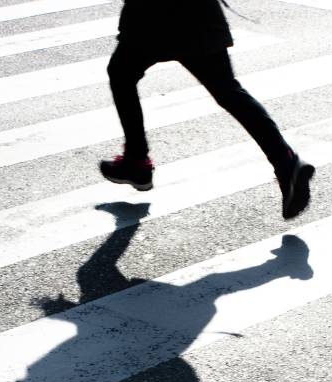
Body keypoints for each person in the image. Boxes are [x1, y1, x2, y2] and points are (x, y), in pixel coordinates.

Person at [99, 0, 314, 220]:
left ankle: (136, 161)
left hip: (155, 15)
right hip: (199, 14)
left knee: (121, 74)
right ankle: (285, 162)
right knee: (227, 90)